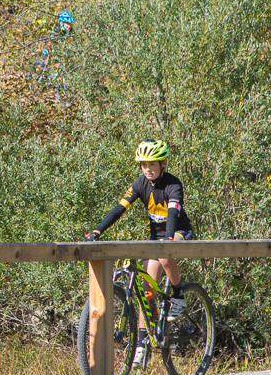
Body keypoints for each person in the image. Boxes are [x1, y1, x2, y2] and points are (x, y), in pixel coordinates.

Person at [83, 139, 193, 328]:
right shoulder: (140, 183)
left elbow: (173, 213)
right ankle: (144, 342)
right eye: (144, 165)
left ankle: (178, 294)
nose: (147, 169)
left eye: (152, 164)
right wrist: (97, 230)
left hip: (178, 231)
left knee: (165, 256)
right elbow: (119, 208)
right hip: (156, 237)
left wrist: (167, 240)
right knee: (147, 293)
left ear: (163, 163)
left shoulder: (173, 184)